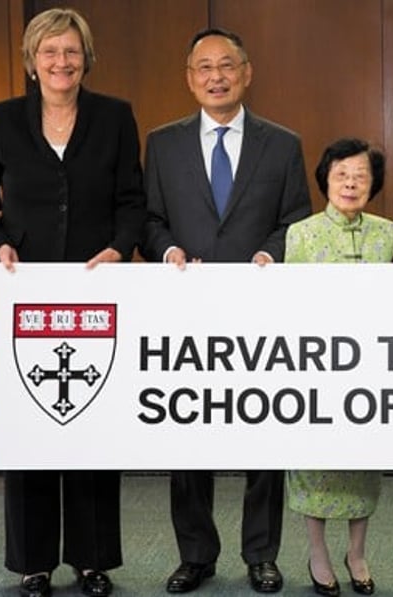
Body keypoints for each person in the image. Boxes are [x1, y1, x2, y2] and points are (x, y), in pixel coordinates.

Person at [0, 8, 145, 597]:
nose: (61, 62)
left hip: (97, 289)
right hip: (27, 295)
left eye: (71, 51)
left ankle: (93, 561)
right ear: (31, 62)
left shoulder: (115, 117)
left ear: (86, 57)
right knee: (32, 428)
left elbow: (132, 200)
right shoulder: (2, 120)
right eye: (49, 52)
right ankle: (33, 561)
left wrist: (120, 247)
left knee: (91, 422)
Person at [141, 27, 311, 594]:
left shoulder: (282, 144)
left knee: (264, 432)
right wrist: (166, 250)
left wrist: (271, 251)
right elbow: (151, 220)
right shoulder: (161, 144)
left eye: (226, 66)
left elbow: (296, 221)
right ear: (190, 78)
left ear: (246, 72)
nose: (216, 76)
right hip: (187, 312)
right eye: (203, 68)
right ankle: (196, 554)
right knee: (190, 434)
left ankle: (261, 553)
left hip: (260, 310)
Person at [284, 138, 393, 597]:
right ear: (325, 180)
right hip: (315, 368)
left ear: (374, 184)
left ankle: (357, 552)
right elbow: (288, 304)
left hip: (369, 370)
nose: (351, 183)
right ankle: (318, 553)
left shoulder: (388, 233)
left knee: (363, 464)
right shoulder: (301, 233)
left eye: (361, 176)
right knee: (314, 463)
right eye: (341, 175)